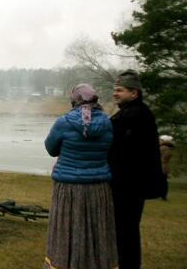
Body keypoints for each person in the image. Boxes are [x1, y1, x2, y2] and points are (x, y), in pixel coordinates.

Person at [44, 84, 118, 269]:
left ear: (74, 101)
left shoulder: (64, 122)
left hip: (69, 189)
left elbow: (51, 148)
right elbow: (108, 149)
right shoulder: (107, 123)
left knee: (67, 230)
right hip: (98, 188)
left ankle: (65, 263)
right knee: (97, 231)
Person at [109, 69, 165, 269]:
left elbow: (117, 144)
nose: (115, 93)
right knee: (125, 230)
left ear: (134, 93)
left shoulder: (135, 114)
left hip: (129, 186)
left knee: (126, 230)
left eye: (120, 90)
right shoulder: (131, 112)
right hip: (129, 184)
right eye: (115, 90)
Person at [159, 135, 175, 201]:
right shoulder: (168, 148)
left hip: (161, 167)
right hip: (164, 167)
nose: (159, 141)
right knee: (163, 182)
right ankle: (163, 196)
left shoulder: (163, 148)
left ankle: (163, 196)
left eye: (160, 140)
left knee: (162, 182)